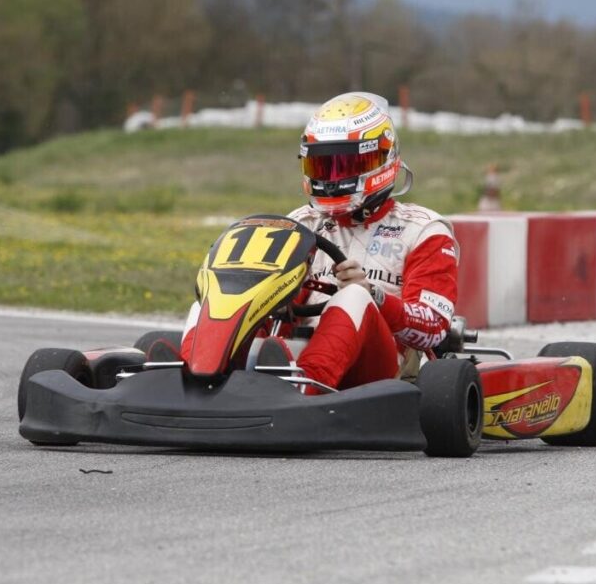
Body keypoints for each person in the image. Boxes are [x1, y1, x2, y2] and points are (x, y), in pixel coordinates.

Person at [178, 91, 459, 391]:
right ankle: (192, 380)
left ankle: (304, 390)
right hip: (297, 351)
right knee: (218, 300)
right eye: (323, 167)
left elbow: (434, 328)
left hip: (385, 371)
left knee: (353, 297)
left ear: (380, 159)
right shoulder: (299, 223)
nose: (332, 178)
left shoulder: (424, 230)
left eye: (344, 166)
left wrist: (372, 294)